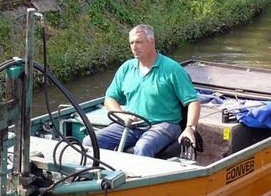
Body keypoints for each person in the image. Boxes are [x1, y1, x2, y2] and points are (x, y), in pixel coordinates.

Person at [83, 24, 201, 157]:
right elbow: (110, 99)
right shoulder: (126, 68)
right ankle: (103, 175)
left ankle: (137, 177)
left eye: (139, 42)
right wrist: (123, 116)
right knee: (89, 142)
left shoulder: (172, 69)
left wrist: (189, 128)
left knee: (142, 147)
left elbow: (193, 101)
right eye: (131, 43)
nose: (134, 47)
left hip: (164, 125)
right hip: (131, 125)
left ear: (152, 42)